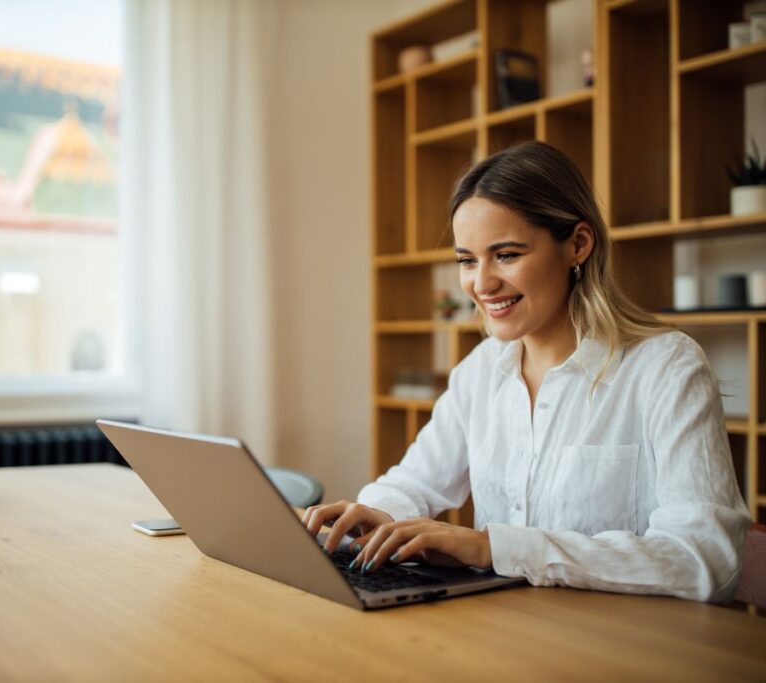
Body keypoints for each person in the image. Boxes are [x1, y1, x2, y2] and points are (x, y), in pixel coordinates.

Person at [303, 141, 750, 603]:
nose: (481, 283)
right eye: (467, 260)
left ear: (577, 244)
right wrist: (373, 514)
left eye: (507, 255)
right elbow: (416, 482)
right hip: (504, 634)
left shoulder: (667, 369)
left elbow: (706, 560)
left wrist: (492, 548)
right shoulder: (480, 372)